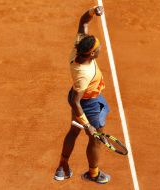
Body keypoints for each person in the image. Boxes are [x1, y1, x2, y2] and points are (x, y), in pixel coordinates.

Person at [54, 6, 110, 184]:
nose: (101, 49)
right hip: (89, 104)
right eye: (99, 48)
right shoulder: (83, 74)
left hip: (85, 99)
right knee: (97, 139)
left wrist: (94, 11)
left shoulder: (79, 46)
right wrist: (87, 124)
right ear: (92, 53)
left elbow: (83, 21)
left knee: (73, 131)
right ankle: (94, 174)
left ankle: (62, 166)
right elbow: (74, 101)